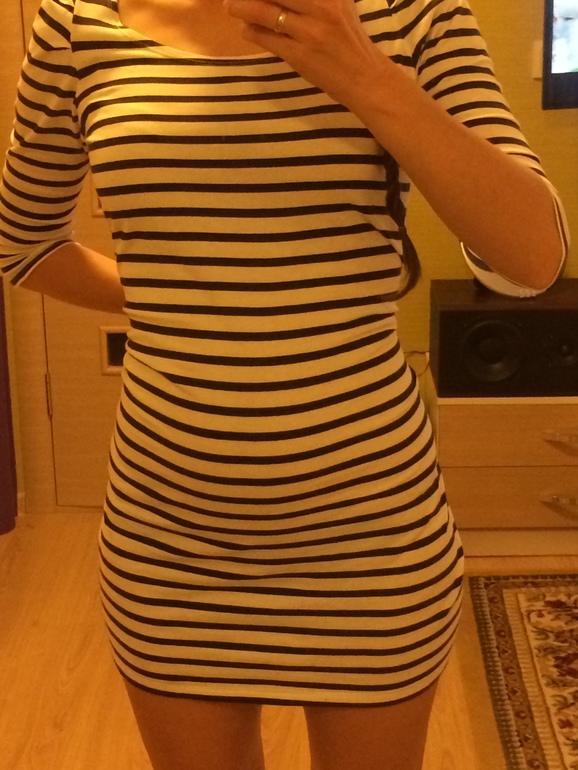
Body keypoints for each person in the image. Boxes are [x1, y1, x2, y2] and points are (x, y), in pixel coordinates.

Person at [0, 0, 569, 768]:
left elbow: (532, 258)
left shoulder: (414, 14)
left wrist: (365, 74)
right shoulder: (77, 23)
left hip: (371, 541)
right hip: (170, 546)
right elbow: (25, 244)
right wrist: (190, 290)